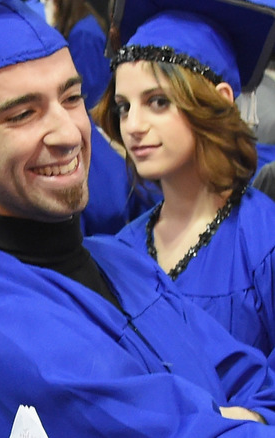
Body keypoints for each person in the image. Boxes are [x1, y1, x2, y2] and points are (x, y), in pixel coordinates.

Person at [0, 0, 275, 435]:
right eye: (22, 114)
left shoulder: (120, 258)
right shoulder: (7, 334)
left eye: (71, 98)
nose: (70, 133)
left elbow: (256, 381)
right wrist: (231, 416)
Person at [94, 0, 275, 358]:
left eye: (158, 102)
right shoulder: (121, 250)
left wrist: (253, 415)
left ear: (219, 102)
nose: (133, 126)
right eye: (124, 107)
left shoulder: (262, 239)